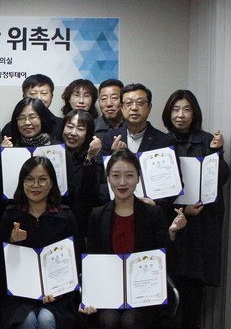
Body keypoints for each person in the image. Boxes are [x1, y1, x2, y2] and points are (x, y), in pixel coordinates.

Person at [81, 149, 186, 329]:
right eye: (116, 175)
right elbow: (92, 261)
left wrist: (172, 234)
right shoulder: (98, 215)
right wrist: (90, 296)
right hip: (109, 294)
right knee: (109, 321)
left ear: (138, 178)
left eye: (129, 175)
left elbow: (166, 261)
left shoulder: (152, 214)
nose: (122, 182)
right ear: (108, 178)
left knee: (130, 321)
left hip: (144, 296)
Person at [0, 156, 79, 329]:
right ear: (22, 182)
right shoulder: (11, 215)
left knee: (45, 319)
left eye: (42, 179)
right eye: (30, 179)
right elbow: (0, 265)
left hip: (58, 295)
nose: (36, 185)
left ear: (52, 183)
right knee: (27, 319)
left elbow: (72, 262)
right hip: (19, 295)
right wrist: (12, 243)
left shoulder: (64, 216)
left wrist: (58, 290)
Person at [162, 89, 230, 329]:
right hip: (171, 217)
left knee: (193, 279)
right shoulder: (161, 142)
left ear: (195, 113)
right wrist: (181, 208)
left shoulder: (207, 140)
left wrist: (217, 152)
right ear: (168, 113)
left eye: (186, 109)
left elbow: (220, 178)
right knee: (169, 275)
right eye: (176, 109)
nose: (180, 115)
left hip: (200, 222)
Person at [61, 109, 103, 254]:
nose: (73, 133)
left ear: (88, 133)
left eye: (80, 129)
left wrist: (90, 157)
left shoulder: (93, 158)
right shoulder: (53, 153)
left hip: (80, 226)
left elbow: (89, 193)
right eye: (69, 126)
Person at [99, 83, 173, 156]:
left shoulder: (165, 141)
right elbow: (102, 164)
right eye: (128, 103)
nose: (134, 108)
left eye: (140, 103)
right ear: (122, 108)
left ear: (149, 107)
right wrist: (114, 155)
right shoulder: (109, 138)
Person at [21, 74, 63, 141]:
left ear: (51, 97)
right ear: (24, 97)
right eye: (33, 93)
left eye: (44, 93)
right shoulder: (11, 127)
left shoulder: (62, 125)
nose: (39, 98)